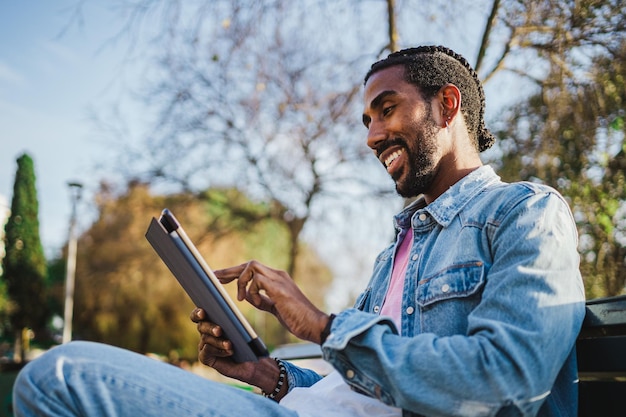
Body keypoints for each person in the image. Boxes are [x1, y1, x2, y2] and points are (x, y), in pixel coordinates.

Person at [12, 45, 585, 417]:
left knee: (57, 376)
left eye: (386, 109)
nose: (371, 135)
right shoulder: (399, 250)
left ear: (447, 104)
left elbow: (510, 377)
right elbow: (363, 393)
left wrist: (323, 324)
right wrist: (266, 373)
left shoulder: (524, 213)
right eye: (366, 120)